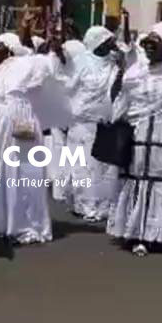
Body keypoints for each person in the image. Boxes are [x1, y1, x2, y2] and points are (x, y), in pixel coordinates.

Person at [0, 36, 71, 244]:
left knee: (22, 172)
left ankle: (24, 224)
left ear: (9, 48)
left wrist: (54, 42)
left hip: (20, 121)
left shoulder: (27, 63)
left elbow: (52, 64)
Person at [108, 20, 162, 256]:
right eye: (145, 42)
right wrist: (120, 74)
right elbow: (120, 104)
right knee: (139, 182)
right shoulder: (136, 72)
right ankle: (138, 234)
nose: (147, 47)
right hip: (139, 137)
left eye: (154, 43)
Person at [64, 26, 120, 221]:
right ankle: (84, 205)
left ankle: (101, 206)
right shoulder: (80, 63)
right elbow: (68, 88)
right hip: (81, 123)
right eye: (106, 41)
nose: (111, 45)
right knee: (81, 166)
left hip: (104, 122)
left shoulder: (114, 64)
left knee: (101, 167)